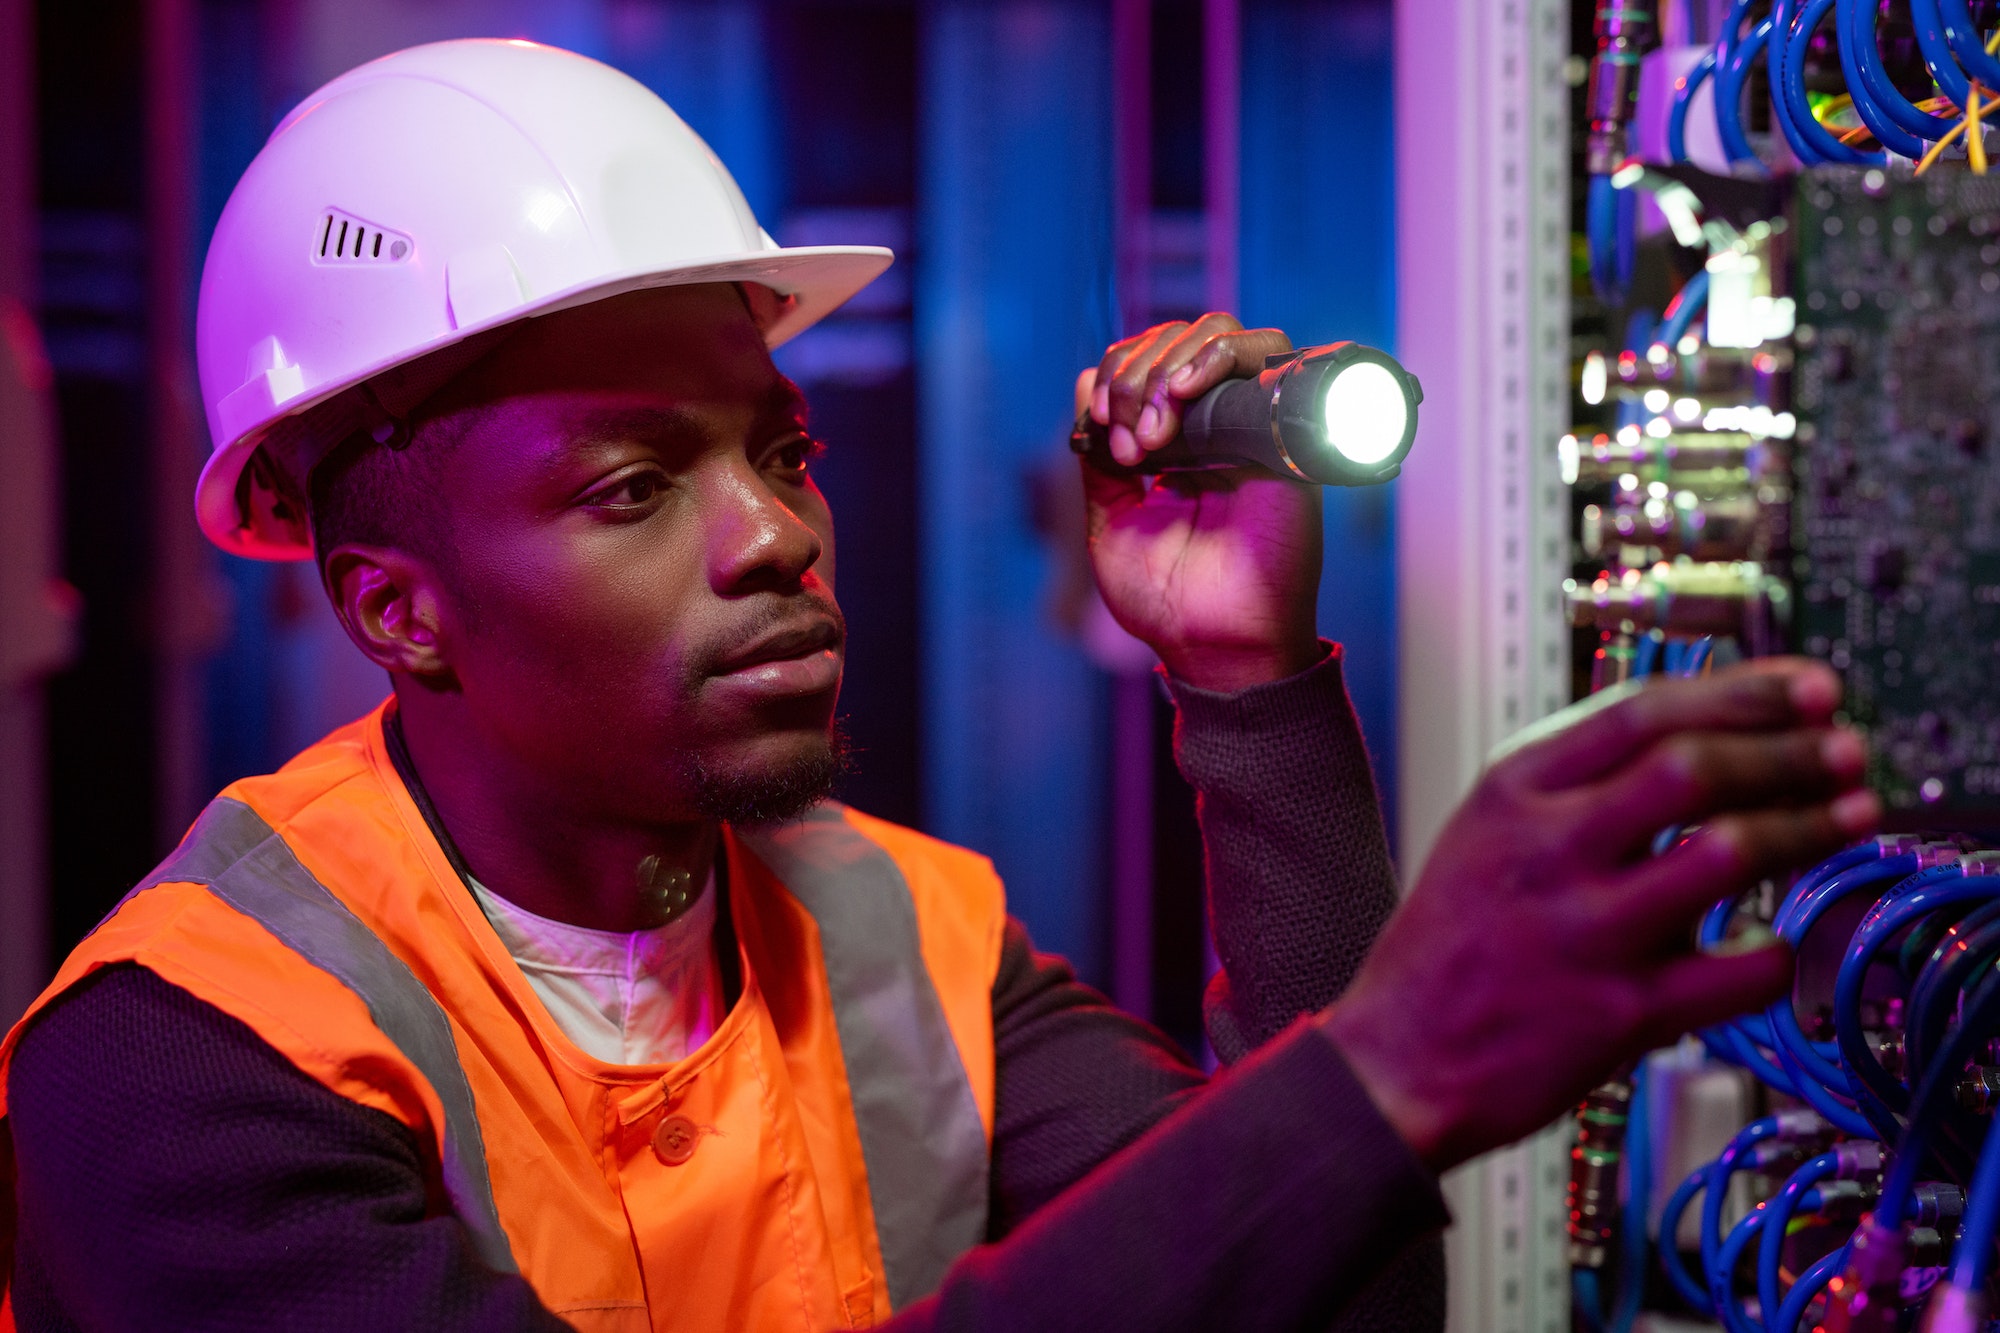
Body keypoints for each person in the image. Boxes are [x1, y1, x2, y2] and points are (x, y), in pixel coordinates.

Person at [0, 39, 1877, 1333]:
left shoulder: (909, 943)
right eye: (637, 488)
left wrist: (1251, 691)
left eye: (783, 451)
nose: (775, 538)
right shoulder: (186, 1059)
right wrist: (1387, 1073)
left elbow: (1335, 1300)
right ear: (399, 609)